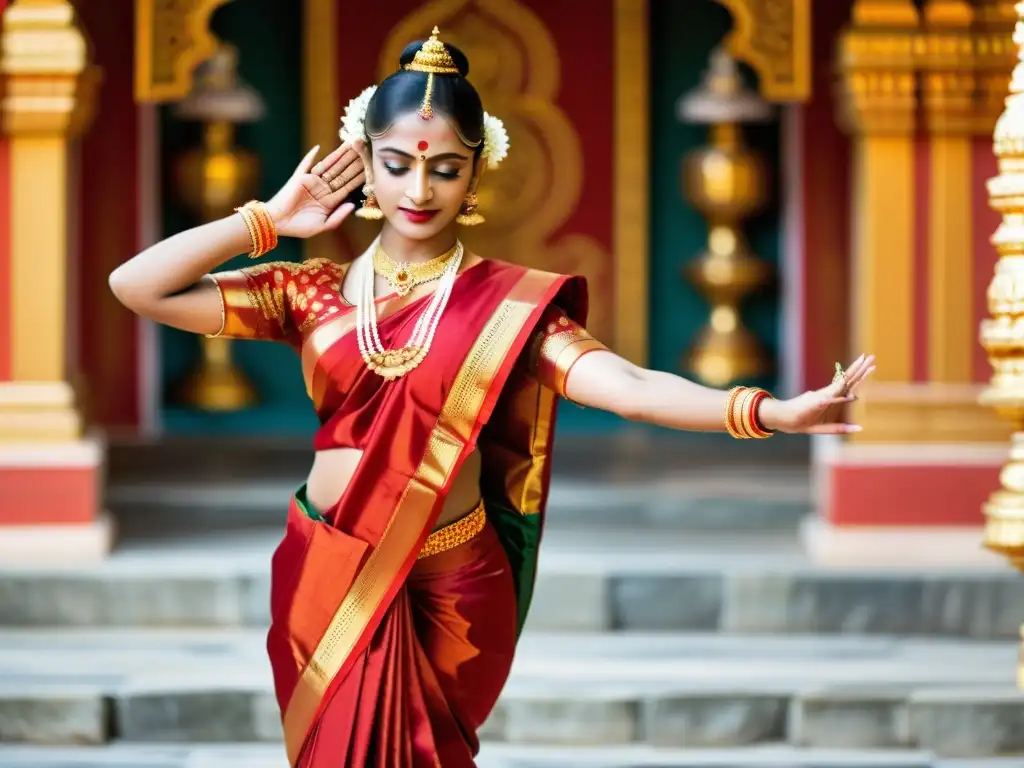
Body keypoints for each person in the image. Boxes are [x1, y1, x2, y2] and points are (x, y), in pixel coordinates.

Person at [109, 27, 875, 768]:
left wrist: (773, 413)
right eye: (398, 165)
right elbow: (136, 286)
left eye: (445, 167)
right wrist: (267, 222)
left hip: (451, 580)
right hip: (330, 571)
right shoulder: (309, 293)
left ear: (476, 174)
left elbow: (632, 389)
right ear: (366, 169)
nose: (420, 188)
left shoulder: (510, 307)